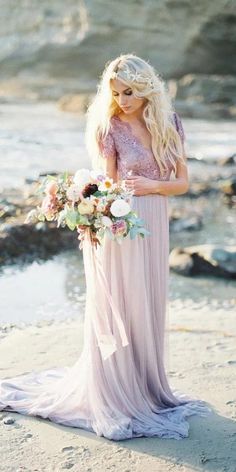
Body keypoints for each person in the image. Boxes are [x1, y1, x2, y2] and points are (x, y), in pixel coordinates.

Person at [0, 53, 212, 441]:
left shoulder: (169, 123)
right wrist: (94, 212)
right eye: (116, 93)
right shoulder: (109, 127)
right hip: (121, 224)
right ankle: (115, 390)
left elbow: (182, 183)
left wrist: (154, 187)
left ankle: (146, 388)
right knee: (122, 302)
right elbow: (106, 186)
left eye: (129, 92)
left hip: (155, 220)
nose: (123, 100)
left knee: (147, 302)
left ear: (147, 87)